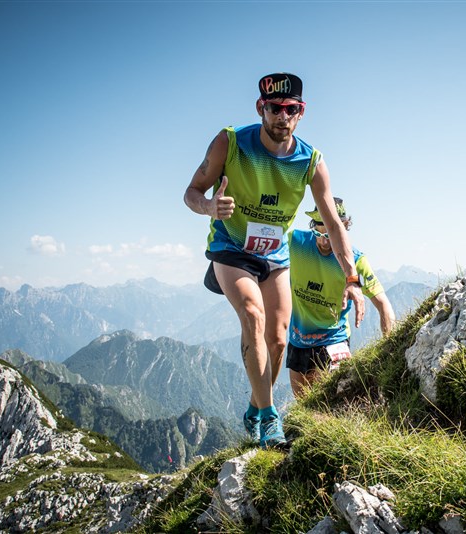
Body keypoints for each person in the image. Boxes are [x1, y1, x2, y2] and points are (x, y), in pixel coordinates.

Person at [183, 73, 365, 448]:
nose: (283, 116)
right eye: (275, 108)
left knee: (279, 339)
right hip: (231, 246)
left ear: (302, 112)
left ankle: (254, 407)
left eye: (291, 109)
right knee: (253, 314)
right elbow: (192, 192)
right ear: (260, 109)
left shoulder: (310, 161)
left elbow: (333, 224)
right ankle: (269, 418)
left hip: (273, 254)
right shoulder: (230, 142)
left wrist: (352, 279)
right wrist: (209, 207)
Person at [287, 198, 395, 397]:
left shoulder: (356, 260)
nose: (324, 242)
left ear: (343, 229)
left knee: (332, 399)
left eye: (330, 234)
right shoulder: (296, 242)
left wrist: (390, 350)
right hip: (298, 339)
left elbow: (383, 305)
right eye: (319, 233)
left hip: (334, 339)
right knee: (302, 403)